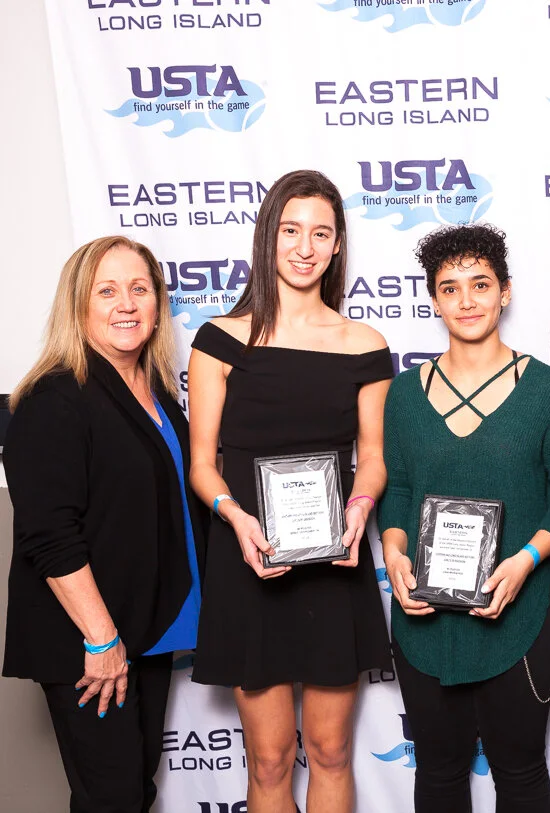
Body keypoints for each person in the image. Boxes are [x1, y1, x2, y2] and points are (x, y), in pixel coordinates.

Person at [187, 169, 392, 813]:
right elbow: (202, 466)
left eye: (321, 233)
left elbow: (374, 458)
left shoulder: (365, 345)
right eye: (291, 230)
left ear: (338, 244)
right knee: (271, 758)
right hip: (250, 559)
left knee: (330, 751)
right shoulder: (220, 339)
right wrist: (236, 518)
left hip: (334, 562)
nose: (305, 247)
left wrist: (360, 506)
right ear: (268, 236)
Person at [378, 223, 550, 813]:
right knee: (438, 773)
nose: (466, 300)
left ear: (505, 292)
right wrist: (393, 551)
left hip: (520, 609)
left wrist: (525, 562)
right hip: (425, 619)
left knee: (520, 773)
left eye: (480, 284)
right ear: (434, 299)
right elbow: (398, 490)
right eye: (450, 288)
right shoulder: (404, 394)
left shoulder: (545, 389)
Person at [3, 236, 208, 812]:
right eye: (107, 291)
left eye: (140, 289)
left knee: (133, 791)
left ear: (158, 303)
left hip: (148, 626)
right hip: (91, 641)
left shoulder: (158, 394)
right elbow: (49, 535)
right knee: (112, 799)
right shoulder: (55, 397)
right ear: (79, 304)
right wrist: (101, 638)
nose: (127, 304)